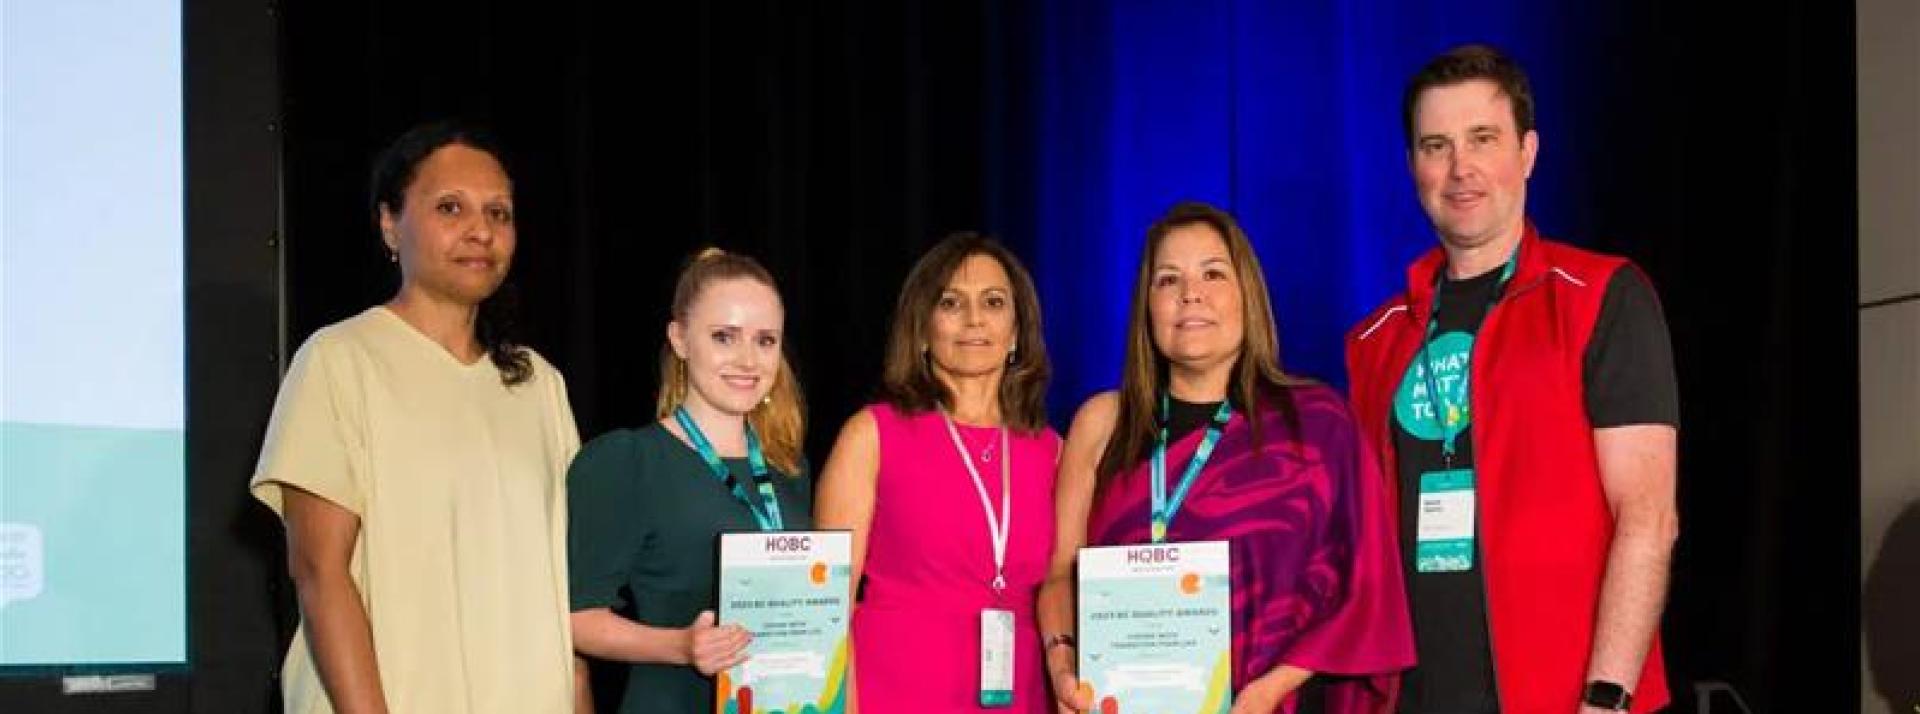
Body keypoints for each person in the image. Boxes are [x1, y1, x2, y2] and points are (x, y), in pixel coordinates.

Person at [1344, 44, 1680, 713]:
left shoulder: (1601, 296)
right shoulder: (1374, 340)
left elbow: (1647, 517)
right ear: (1412, 165)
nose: (1459, 168)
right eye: (1435, 145)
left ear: (1526, 153)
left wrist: (1606, 698)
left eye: (1482, 139)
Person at [251, 121, 581, 713]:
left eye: (499, 213)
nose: (481, 230)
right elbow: (319, 572)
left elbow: (564, 588)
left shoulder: (540, 385)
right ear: (389, 224)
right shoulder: (339, 360)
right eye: (450, 208)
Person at [1040, 202, 1414, 714]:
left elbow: (1368, 585)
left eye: (1212, 273)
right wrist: (1063, 668)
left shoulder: (1317, 423)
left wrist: (1269, 690)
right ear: (1146, 306)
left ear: (1248, 296)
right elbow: (1062, 571)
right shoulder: (1103, 423)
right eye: (1168, 280)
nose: (1190, 293)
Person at [814, 232, 1061, 712]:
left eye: (993, 302)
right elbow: (825, 605)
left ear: (1016, 331)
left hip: (1022, 697)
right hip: (895, 694)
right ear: (923, 329)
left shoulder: (1053, 451)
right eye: (951, 303)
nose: (974, 319)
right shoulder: (871, 435)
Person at [566, 247, 813, 714]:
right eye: (724, 337)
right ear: (679, 339)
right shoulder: (627, 460)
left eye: (765, 340)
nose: (747, 359)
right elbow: (576, 617)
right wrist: (681, 645)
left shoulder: (789, 467)